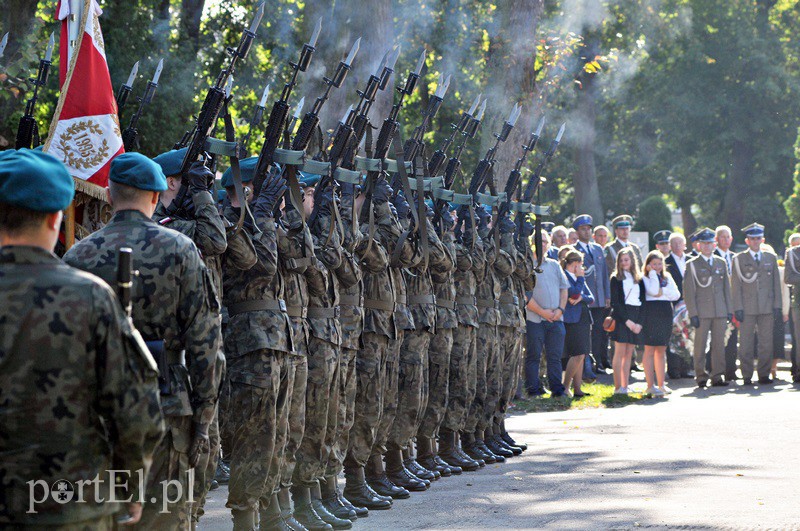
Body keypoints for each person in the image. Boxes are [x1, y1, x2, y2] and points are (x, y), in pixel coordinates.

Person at [0, 149, 163, 528]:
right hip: (71, 507)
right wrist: (131, 488)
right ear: (58, 217)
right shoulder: (92, 296)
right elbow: (135, 408)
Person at [63, 152, 221, 529]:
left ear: (108, 192)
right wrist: (204, 417)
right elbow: (206, 341)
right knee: (164, 518)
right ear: (156, 195)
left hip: (97, 413)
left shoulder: (78, 254)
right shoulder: (182, 250)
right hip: (167, 406)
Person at [731, 223, 782, 385]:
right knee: (746, 342)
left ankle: (764, 374)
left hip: (766, 307)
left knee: (766, 342)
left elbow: (776, 285)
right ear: (747, 241)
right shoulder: (738, 259)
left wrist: (777, 306)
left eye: (758, 238)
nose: (755, 241)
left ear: (763, 239)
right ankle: (746, 375)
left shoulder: (771, 258)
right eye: (752, 239)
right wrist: (737, 307)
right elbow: (736, 286)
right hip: (747, 307)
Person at [683, 228, 732, 388]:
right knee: (700, 345)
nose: (707, 246)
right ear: (698, 245)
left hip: (720, 311)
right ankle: (701, 376)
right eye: (704, 243)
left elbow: (727, 289)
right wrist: (693, 313)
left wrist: (729, 310)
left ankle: (718, 376)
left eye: (710, 243)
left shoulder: (721, 262)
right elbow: (689, 292)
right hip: (702, 312)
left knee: (719, 345)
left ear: (714, 244)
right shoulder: (692, 264)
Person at [525, 231, 569, 397]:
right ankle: (533, 389)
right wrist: (542, 312)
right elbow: (525, 295)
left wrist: (560, 310)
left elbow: (564, 289)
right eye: (538, 241)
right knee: (533, 356)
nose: (542, 244)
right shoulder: (528, 266)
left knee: (555, 357)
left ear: (549, 244)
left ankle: (557, 390)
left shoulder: (554, 265)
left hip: (556, 319)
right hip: (535, 318)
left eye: (545, 241)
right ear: (532, 243)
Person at [574, 215, 612, 374]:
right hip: (584, 299)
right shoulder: (574, 250)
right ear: (577, 231)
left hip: (599, 299)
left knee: (599, 332)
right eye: (583, 229)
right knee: (586, 334)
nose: (587, 232)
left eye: (589, 229)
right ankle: (587, 365)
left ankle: (599, 362)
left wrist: (607, 296)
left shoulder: (597, 249)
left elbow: (604, 274)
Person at [641, 250, 681, 396]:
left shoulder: (667, 276)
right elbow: (652, 291)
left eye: (659, 264)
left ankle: (661, 384)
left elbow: (675, 294)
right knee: (650, 349)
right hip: (651, 313)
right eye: (654, 264)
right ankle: (650, 385)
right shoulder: (645, 277)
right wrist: (653, 275)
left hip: (665, 312)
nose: (657, 266)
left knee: (661, 350)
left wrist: (661, 291)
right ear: (648, 265)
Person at [609, 247, 645, 394]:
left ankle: (626, 384)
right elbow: (615, 304)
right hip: (622, 317)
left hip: (636, 316)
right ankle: (618, 387)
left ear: (632, 260)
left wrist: (639, 323)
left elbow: (643, 301)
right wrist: (628, 322)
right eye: (621, 260)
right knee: (620, 352)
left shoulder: (639, 278)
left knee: (629, 353)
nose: (624, 263)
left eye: (626, 260)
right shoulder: (616, 278)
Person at [561, 247, 595, 397]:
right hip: (572, 320)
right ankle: (565, 387)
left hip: (583, 318)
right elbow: (573, 293)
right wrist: (580, 281)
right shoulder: (566, 276)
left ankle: (577, 389)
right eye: (580, 265)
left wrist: (582, 298)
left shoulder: (578, 277)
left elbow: (590, 297)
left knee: (582, 354)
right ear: (574, 264)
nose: (581, 268)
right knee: (577, 354)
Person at [665, 232, 692, 379]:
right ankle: (674, 369)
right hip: (674, 305)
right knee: (674, 338)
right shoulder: (665, 262)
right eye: (674, 243)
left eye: (680, 243)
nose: (677, 246)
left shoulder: (691, 261)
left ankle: (685, 368)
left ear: (684, 245)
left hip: (689, 305)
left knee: (687, 337)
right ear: (670, 246)